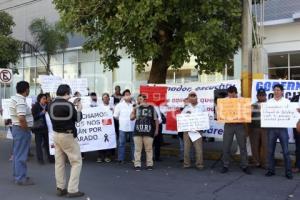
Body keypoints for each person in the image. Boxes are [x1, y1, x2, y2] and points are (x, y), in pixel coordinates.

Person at [48, 84, 85, 197]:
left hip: (56, 135)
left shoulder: (51, 104)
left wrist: (71, 106)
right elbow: (77, 119)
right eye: (69, 93)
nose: (70, 95)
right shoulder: (68, 105)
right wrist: (79, 108)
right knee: (76, 161)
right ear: (66, 93)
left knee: (59, 163)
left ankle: (60, 187)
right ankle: (72, 190)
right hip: (67, 136)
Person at [220, 86, 251, 174]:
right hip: (228, 125)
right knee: (226, 146)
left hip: (239, 125)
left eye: (233, 94)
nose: (231, 96)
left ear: (236, 93)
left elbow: (246, 112)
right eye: (230, 94)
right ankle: (225, 165)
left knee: (242, 146)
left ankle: (245, 165)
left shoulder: (242, 100)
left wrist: (248, 111)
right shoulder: (224, 101)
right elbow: (220, 112)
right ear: (228, 93)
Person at [9, 81, 34, 185]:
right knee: (21, 155)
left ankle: (17, 175)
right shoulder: (20, 101)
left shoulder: (14, 98)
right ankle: (20, 178)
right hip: (21, 129)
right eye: (29, 88)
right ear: (26, 90)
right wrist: (26, 129)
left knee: (17, 153)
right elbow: (21, 118)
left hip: (17, 129)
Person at [265, 84, 293, 179]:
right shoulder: (269, 102)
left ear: (282, 91)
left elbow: (291, 113)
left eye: (278, 90)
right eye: (275, 90)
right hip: (271, 129)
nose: (276, 92)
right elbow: (265, 114)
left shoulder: (287, 102)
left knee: (285, 151)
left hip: (282, 129)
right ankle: (271, 170)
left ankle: (288, 172)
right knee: (270, 151)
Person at [130, 94, 159, 171]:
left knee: (149, 149)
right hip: (137, 131)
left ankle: (149, 164)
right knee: (137, 149)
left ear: (145, 100)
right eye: (138, 99)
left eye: (140, 99)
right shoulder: (136, 108)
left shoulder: (151, 108)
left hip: (148, 131)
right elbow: (131, 118)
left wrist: (156, 130)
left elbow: (156, 120)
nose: (139, 101)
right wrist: (134, 109)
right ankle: (137, 165)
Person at [181, 91, 206, 170]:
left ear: (196, 99)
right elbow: (181, 118)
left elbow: (205, 118)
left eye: (193, 99)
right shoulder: (186, 107)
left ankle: (199, 165)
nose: (192, 101)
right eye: (190, 99)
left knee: (198, 148)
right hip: (187, 130)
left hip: (197, 130)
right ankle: (186, 164)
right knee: (186, 149)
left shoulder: (202, 107)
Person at [113, 89, 135, 163]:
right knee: (121, 143)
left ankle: (134, 158)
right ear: (123, 96)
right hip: (123, 127)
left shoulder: (134, 104)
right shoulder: (119, 105)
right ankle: (121, 159)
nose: (128, 96)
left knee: (133, 143)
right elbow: (115, 115)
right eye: (126, 95)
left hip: (133, 126)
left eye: (129, 94)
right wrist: (122, 120)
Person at [31, 93, 54, 164]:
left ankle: (51, 158)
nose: (45, 100)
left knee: (48, 144)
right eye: (43, 99)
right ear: (39, 99)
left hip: (47, 128)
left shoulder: (48, 106)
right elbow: (33, 117)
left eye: (45, 99)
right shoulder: (35, 106)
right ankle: (40, 160)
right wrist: (42, 113)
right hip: (38, 128)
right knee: (38, 144)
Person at [249, 88, 268, 169]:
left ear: (265, 96)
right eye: (259, 95)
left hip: (266, 129)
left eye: (263, 95)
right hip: (254, 128)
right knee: (254, 146)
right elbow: (248, 117)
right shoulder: (252, 105)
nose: (261, 97)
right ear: (257, 96)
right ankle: (256, 162)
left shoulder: (270, 105)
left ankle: (265, 163)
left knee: (266, 146)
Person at [96, 93, 114, 163]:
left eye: (107, 97)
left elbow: (115, 116)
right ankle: (100, 156)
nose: (105, 99)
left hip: (110, 127)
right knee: (100, 141)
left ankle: (107, 156)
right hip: (102, 127)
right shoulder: (99, 107)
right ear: (102, 99)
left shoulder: (112, 107)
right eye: (104, 98)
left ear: (109, 99)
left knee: (109, 141)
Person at [291, 93, 300, 173]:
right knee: (298, 148)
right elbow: (290, 110)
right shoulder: (295, 98)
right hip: (297, 126)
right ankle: (298, 166)